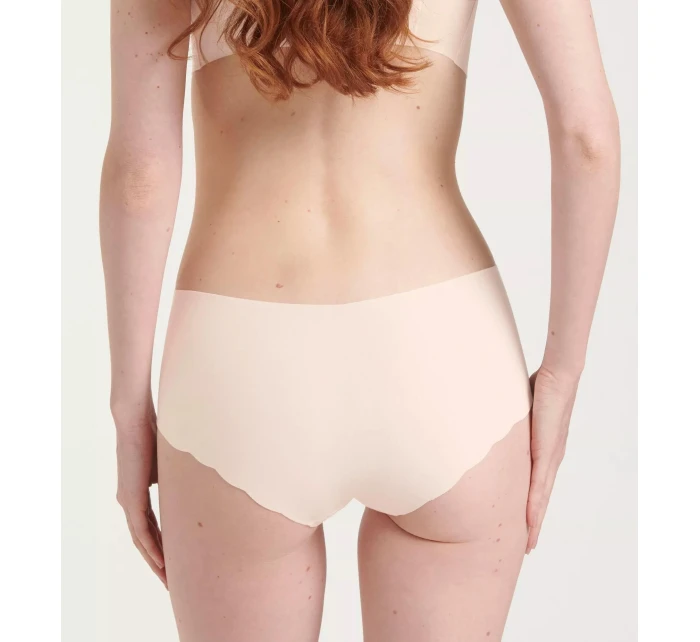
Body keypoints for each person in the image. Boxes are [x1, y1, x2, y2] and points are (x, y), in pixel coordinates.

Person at [99, 0, 620, 639]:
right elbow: (587, 140)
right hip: (445, 357)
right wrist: (563, 373)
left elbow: (141, 176)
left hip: (240, 368)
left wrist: (129, 410)